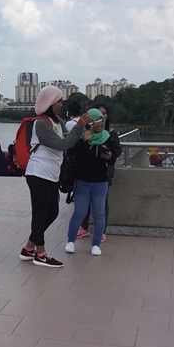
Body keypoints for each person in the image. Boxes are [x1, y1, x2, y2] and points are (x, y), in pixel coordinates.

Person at [20, 86, 89, 267]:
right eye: (59, 101)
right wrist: (79, 127)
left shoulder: (57, 121)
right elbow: (61, 145)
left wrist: (83, 132)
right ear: (50, 102)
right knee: (40, 214)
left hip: (51, 174)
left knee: (52, 212)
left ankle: (29, 248)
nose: (61, 104)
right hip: (38, 173)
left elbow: (69, 141)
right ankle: (41, 254)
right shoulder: (41, 124)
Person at [65, 108, 121, 256]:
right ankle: (70, 241)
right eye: (96, 122)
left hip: (100, 182)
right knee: (79, 212)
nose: (99, 124)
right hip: (82, 181)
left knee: (99, 213)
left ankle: (96, 244)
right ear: (90, 123)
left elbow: (114, 157)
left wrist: (110, 157)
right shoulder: (81, 136)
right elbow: (71, 154)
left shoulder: (107, 137)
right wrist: (84, 142)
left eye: (101, 121)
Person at [77, 103, 121, 242]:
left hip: (104, 173)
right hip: (86, 174)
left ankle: (101, 230)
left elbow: (116, 152)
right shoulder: (86, 133)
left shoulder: (111, 133)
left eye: (104, 114)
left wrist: (111, 156)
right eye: (99, 114)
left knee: (102, 203)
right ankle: (84, 227)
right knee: (85, 202)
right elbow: (78, 152)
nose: (103, 117)